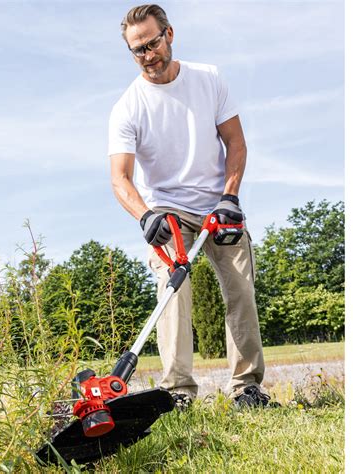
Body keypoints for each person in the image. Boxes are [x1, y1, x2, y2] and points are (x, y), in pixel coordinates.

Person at [108, 4, 270, 408]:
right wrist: (146, 215)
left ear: (170, 34)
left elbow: (235, 142)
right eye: (138, 50)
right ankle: (178, 392)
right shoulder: (127, 107)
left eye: (152, 43)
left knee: (240, 290)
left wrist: (230, 196)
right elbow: (120, 178)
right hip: (168, 213)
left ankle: (246, 388)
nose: (148, 55)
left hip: (219, 206)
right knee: (172, 291)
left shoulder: (208, 78)